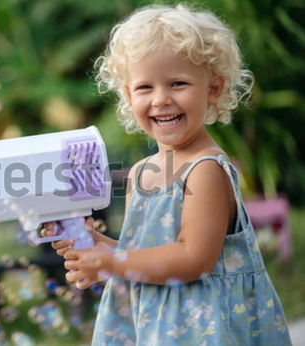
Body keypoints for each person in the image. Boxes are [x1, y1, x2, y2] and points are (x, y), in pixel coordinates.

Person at [42, 4, 292, 345]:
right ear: (129, 96)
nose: (161, 99)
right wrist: (95, 246)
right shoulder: (141, 173)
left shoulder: (205, 169)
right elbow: (144, 251)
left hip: (202, 329)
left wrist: (113, 261)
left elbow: (193, 258)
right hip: (157, 326)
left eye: (177, 83)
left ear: (213, 88)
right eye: (145, 87)